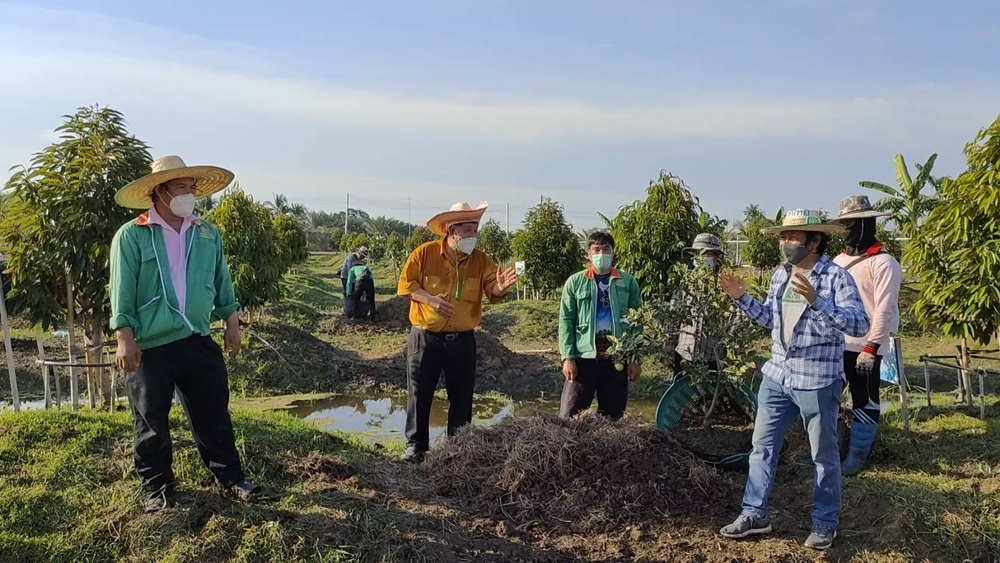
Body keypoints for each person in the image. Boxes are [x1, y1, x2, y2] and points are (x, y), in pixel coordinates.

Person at [109, 155, 260, 513]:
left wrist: (232, 322)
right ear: (159, 192)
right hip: (150, 344)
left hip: (196, 338)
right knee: (151, 419)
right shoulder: (133, 236)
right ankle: (156, 488)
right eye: (181, 187)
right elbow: (121, 289)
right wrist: (124, 337)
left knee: (213, 412)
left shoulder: (206, 234)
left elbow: (222, 281)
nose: (189, 194)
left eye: (192, 188)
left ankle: (229, 476)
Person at [717, 209, 870, 551]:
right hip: (777, 375)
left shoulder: (835, 278)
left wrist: (816, 302)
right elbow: (770, 320)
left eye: (792, 237)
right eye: (783, 237)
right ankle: (755, 513)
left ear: (814, 240)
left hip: (817, 379)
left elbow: (859, 325)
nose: (785, 243)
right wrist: (741, 298)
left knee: (823, 455)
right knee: (762, 448)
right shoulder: (779, 276)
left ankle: (824, 521)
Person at [397, 202, 518, 463]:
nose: (473, 235)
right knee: (420, 393)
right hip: (425, 338)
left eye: (475, 229)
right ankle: (416, 447)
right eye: (467, 229)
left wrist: (500, 287)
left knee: (462, 395)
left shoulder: (481, 260)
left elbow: (492, 290)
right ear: (451, 231)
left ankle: (459, 447)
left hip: (462, 340)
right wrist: (430, 300)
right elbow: (406, 285)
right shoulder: (424, 254)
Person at [829, 195, 902, 475]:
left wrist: (871, 347)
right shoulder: (837, 261)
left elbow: (885, 308)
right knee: (829, 398)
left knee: (864, 397)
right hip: (836, 345)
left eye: (851, 224)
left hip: (864, 347)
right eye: (843, 224)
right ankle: (832, 452)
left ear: (866, 224)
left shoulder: (884, 264)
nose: (846, 230)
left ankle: (857, 457)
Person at [558, 232, 642, 420]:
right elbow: (566, 321)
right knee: (569, 416)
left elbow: (638, 322)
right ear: (588, 253)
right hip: (583, 358)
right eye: (596, 250)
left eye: (606, 250)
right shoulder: (575, 282)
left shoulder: (628, 282)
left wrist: (635, 358)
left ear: (613, 253)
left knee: (613, 417)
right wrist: (568, 357)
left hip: (616, 360)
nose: (601, 254)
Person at [669, 233, 726, 375]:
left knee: (710, 396)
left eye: (706, 254)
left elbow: (734, 324)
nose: (700, 259)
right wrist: (668, 351)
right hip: (684, 356)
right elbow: (673, 321)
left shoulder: (724, 288)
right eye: (697, 254)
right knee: (684, 395)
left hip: (712, 358)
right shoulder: (685, 286)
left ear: (716, 257)